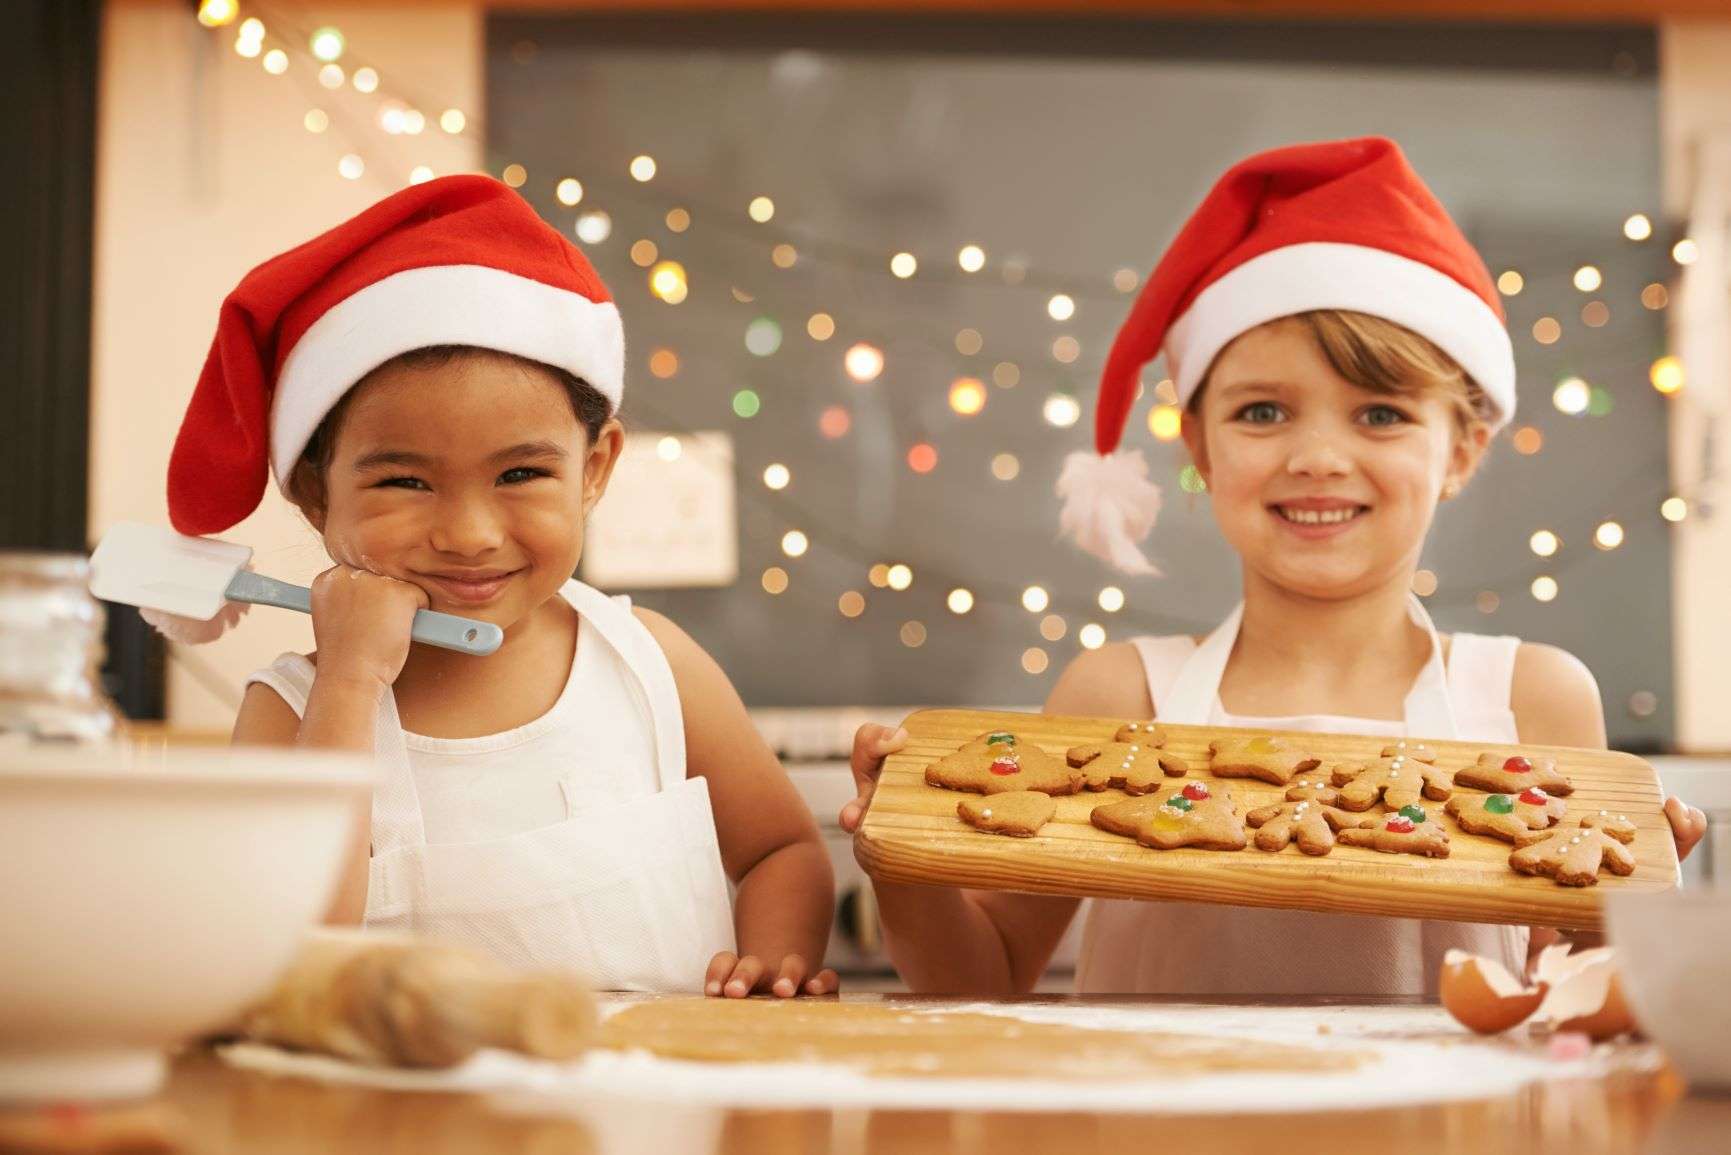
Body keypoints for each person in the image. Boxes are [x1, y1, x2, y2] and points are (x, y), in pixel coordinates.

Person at [841, 138, 1707, 995]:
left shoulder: (1531, 699)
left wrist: (1608, 920)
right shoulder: (1118, 700)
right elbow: (980, 978)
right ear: (1198, 445)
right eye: (1262, 411)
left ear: (1462, 450)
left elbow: (1574, 998)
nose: (1319, 456)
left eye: (1378, 414)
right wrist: (904, 861)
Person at [169, 175, 836, 997]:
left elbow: (781, 851)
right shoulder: (292, 712)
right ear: (315, 492)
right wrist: (349, 681)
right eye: (405, 483)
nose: (470, 534)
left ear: (594, 470)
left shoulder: (650, 664)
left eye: (520, 472)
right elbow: (287, 949)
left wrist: (774, 960)